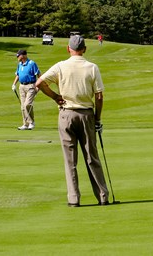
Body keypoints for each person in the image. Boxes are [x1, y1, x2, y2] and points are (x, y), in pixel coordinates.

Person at [36, 35, 109, 207]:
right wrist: (97, 118)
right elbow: (99, 96)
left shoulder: (60, 66)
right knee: (91, 157)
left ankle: (74, 199)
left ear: (68, 49)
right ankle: (102, 196)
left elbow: (39, 83)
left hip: (66, 114)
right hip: (86, 115)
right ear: (84, 49)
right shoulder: (92, 67)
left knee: (70, 161)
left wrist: (55, 97)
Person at [12, 49, 40, 130]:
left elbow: (39, 75)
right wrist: (14, 84)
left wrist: (38, 86)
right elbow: (18, 74)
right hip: (22, 86)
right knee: (22, 107)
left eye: (18, 55)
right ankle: (25, 124)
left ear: (23, 55)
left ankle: (31, 122)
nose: (17, 57)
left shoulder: (32, 63)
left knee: (27, 104)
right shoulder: (20, 64)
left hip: (31, 86)